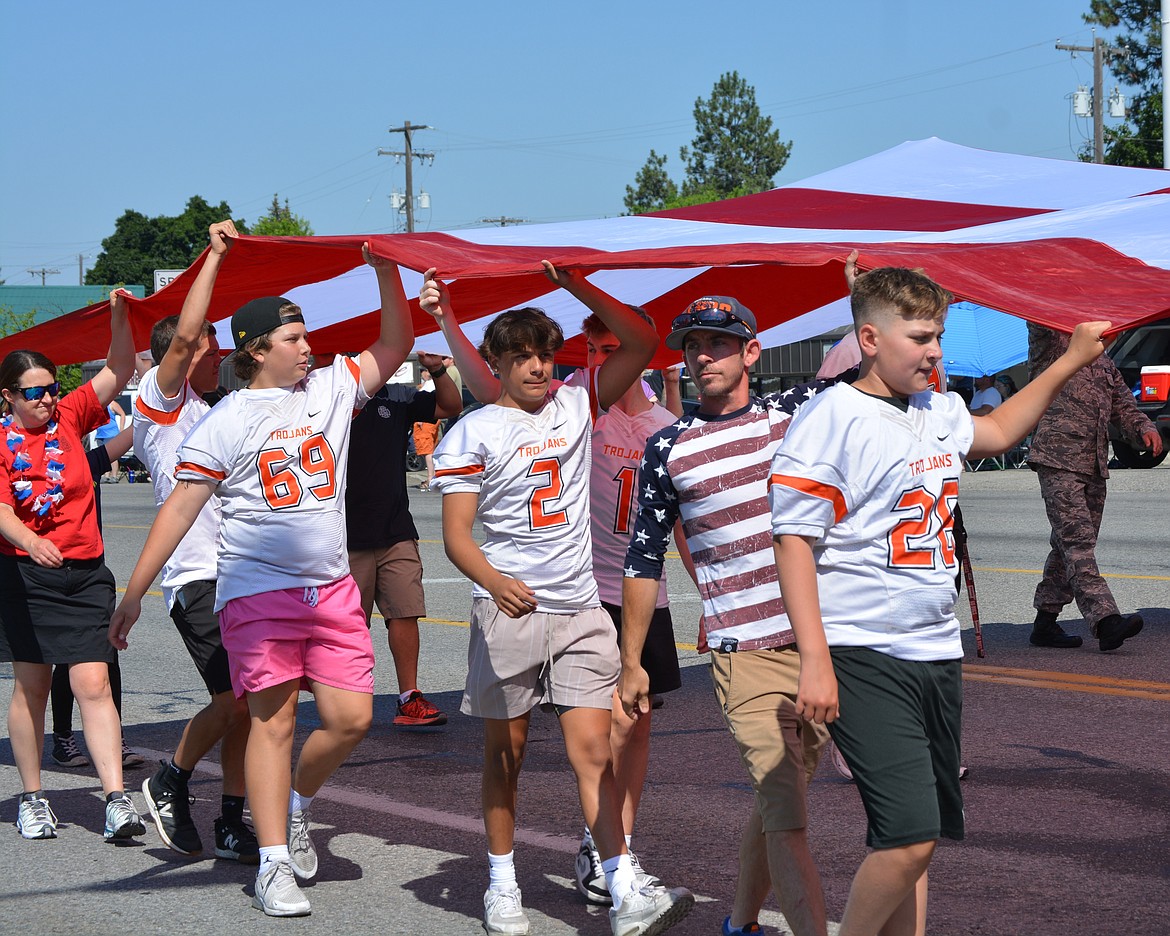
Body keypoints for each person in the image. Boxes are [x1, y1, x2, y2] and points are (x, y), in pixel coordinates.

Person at [769, 265, 1112, 936]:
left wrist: (1069, 360)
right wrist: (815, 658)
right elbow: (793, 541)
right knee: (908, 836)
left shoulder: (937, 408)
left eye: (939, 335)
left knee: (913, 841)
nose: (934, 350)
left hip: (934, 650)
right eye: (920, 336)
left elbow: (999, 431)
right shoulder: (831, 416)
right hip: (865, 650)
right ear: (869, 338)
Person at [109, 242, 413, 917]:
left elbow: (397, 342)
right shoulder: (224, 421)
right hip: (255, 593)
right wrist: (132, 593)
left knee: (351, 718)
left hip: (330, 589)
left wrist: (386, 273)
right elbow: (180, 510)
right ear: (255, 350)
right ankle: (272, 864)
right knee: (270, 725)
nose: (307, 347)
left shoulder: (333, 390)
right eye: (293, 337)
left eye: (306, 335)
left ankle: (296, 808)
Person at [421, 264, 694, 936]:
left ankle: (623, 885)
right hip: (511, 610)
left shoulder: (578, 402)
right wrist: (493, 581)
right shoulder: (472, 433)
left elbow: (641, 335)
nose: (539, 368)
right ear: (497, 365)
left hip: (578, 610)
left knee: (593, 750)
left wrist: (573, 285)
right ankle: (502, 881)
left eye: (545, 354)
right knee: (504, 755)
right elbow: (457, 537)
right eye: (522, 358)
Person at [619, 296, 833, 936]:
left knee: (779, 801)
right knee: (788, 816)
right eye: (692, 345)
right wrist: (631, 663)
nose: (702, 354)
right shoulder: (668, 448)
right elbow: (643, 561)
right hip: (745, 654)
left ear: (751, 352)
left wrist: (857, 296)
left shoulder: (794, 415)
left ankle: (739, 924)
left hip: (821, 645)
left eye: (717, 342)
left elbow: (866, 373)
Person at [128, 219, 261, 864]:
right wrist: (212, 257)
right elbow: (182, 337)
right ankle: (170, 778)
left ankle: (233, 818)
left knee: (250, 702)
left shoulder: (214, 411)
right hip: (195, 572)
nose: (214, 348)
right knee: (232, 697)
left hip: (240, 570)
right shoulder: (161, 399)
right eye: (210, 339)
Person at [0, 288, 144, 843]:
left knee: (93, 683)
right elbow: (2, 511)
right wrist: (28, 542)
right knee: (32, 687)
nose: (46, 399)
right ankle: (33, 798)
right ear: (8, 397)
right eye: (33, 392)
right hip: (26, 576)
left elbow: (119, 367)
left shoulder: (71, 416)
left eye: (51, 388)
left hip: (85, 574)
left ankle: (115, 799)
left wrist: (118, 315)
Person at [1026, 323, 1163, 651]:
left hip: (1093, 464)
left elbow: (1124, 406)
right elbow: (1039, 314)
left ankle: (1044, 623)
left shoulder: (1103, 361)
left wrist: (1144, 428)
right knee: (1078, 544)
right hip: (1058, 458)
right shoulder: (1053, 344)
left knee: (1066, 547)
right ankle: (1105, 621)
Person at [345, 349, 461, 727]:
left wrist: (438, 369)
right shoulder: (330, 397)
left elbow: (450, 405)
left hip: (395, 529)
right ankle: (347, 699)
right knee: (348, 624)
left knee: (405, 613)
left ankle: (408, 696)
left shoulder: (395, 397)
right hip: (344, 534)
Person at [49, 424, 144, 771]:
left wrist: (168, 397)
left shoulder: (90, 462)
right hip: (53, 576)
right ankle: (62, 737)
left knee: (107, 655)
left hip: (91, 576)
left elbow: (133, 433)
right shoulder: (43, 470)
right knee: (65, 660)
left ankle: (113, 737)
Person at [94, 399, 127, 482]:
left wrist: (122, 429)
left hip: (111, 433)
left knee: (112, 455)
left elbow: (122, 414)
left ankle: (114, 476)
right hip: (101, 434)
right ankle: (106, 475)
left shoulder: (112, 404)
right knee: (103, 456)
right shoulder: (99, 404)